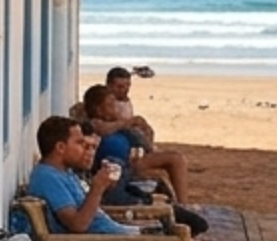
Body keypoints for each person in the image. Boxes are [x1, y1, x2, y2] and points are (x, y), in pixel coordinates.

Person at [28, 115, 217, 241]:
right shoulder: (48, 177)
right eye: (79, 143)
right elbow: (78, 224)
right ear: (60, 147)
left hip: (112, 240)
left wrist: (101, 190)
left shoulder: (63, 173)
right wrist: (98, 188)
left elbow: (87, 215)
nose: (84, 148)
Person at [83, 74, 194, 205]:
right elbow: (102, 129)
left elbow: (146, 144)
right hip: (113, 167)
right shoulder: (93, 125)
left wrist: (145, 131)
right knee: (173, 161)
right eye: (110, 105)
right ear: (99, 110)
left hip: (131, 161)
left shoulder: (117, 124)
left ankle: (183, 203)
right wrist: (128, 122)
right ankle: (180, 204)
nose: (115, 109)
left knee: (176, 158)